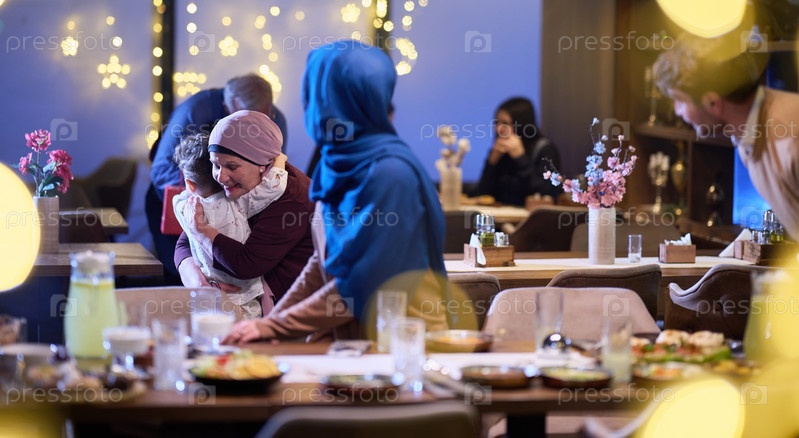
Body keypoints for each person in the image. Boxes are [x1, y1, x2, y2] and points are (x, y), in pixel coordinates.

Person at [224, 41, 449, 343]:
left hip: (401, 346)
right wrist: (272, 324)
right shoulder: (335, 163)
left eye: (316, 93)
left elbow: (363, 283)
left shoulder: (390, 174)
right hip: (351, 342)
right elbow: (323, 263)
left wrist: (274, 327)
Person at [653, 32, 799, 240]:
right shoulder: (748, 137)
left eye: (680, 100)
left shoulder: (790, 140)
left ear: (713, 103)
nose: (677, 111)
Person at [146, 74, 288, 283]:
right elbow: (161, 172)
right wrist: (214, 200)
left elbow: (273, 172)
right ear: (228, 105)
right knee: (180, 280)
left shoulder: (276, 121)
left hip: (244, 212)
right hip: (181, 202)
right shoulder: (195, 111)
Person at [174, 110, 314, 314]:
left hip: (289, 311)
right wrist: (198, 282)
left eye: (232, 167)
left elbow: (246, 264)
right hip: (240, 301)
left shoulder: (291, 199)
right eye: (215, 164)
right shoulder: (236, 183)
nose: (220, 177)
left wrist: (202, 231)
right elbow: (185, 242)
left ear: (262, 163)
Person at [470, 97, 562, 207]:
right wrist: (491, 163)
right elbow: (481, 195)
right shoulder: (500, 152)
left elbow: (547, 193)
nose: (498, 129)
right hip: (501, 214)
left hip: (532, 216)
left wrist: (521, 158)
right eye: (496, 122)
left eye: (505, 123)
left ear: (521, 124)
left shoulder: (544, 149)